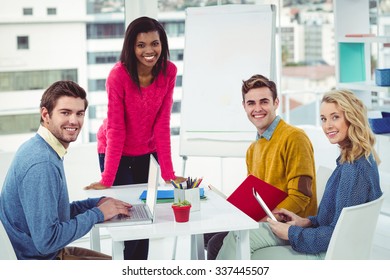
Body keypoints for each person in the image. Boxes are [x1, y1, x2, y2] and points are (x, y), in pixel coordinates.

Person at [216, 88, 383, 260]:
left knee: (239, 241)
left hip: (329, 255)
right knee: (238, 238)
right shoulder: (355, 159)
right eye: (324, 119)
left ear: (352, 117)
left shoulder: (353, 169)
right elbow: (335, 219)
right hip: (325, 243)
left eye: (335, 117)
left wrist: (291, 232)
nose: (328, 125)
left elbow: (338, 234)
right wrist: (307, 222)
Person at [84, 16, 186, 260]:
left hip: (146, 152)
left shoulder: (168, 72)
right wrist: (107, 178)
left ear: (163, 44)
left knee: (146, 220)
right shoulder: (118, 76)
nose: (149, 51)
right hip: (116, 152)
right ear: (131, 46)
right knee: (129, 222)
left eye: (155, 43)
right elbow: (116, 129)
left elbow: (162, 125)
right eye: (141, 45)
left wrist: (169, 174)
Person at [0, 81, 132, 260]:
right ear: (46, 114)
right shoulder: (42, 163)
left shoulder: (41, 147)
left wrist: (97, 203)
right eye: (65, 113)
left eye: (80, 113)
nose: (74, 120)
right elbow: (47, 241)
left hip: (49, 254)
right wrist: (99, 214)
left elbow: (54, 214)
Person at [205, 74, 318, 259]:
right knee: (207, 233)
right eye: (251, 103)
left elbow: (301, 197)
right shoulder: (253, 149)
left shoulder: (295, 138)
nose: (257, 109)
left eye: (264, 102)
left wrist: (262, 218)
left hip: (290, 226)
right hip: (264, 219)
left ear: (276, 103)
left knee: (216, 243)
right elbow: (254, 195)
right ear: (244, 107)